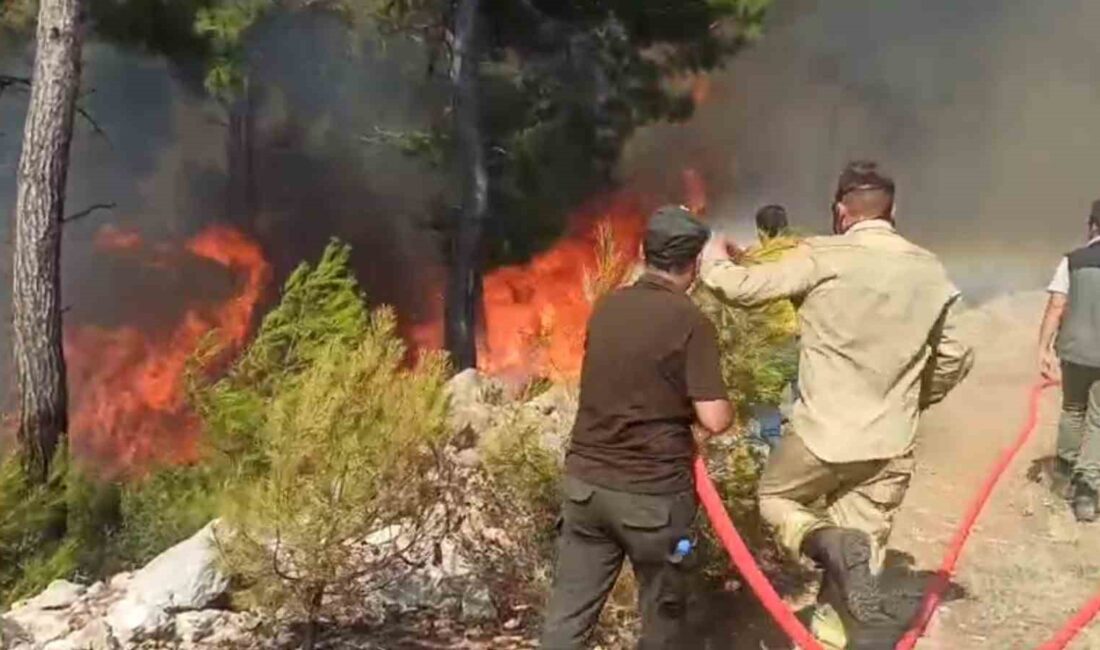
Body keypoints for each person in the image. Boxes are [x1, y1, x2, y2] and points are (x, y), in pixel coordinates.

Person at [701, 161, 974, 648]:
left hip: (822, 434)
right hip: (890, 441)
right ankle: (833, 637)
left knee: (777, 500)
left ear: (841, 211)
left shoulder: (823, 255)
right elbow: (957, 354)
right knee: (858, 550)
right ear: (894, 210)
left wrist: (714, 255)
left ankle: (823, 542)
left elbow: (741, 291)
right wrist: (911, 398)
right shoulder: (929, 267)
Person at [540, 205, 733, 650]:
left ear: (646, 253)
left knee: (567, 616)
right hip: (653, 503)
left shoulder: (608, 307)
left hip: (585, 490)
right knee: (665, 620)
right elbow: (715, 418)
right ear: (694, 263)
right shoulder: (690, 321)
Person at [1038, 199, 1100, 522]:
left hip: (1073, 351)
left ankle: (1063, 475)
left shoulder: (1072, 261)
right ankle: (1087, 492)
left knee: (1073, 409)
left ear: (1092, 225)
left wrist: (1043, 349)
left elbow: (1056, 307)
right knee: (1099, 420)